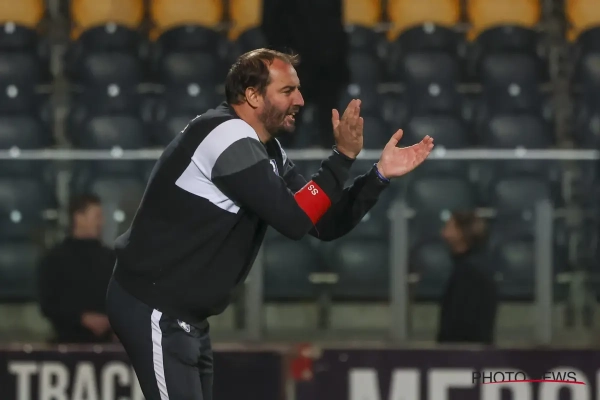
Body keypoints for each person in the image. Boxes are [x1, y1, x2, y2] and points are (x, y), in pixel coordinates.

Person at [105, 48, 434, 400]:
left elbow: (323, 223)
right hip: (154, 306)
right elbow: (293, 220)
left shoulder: (265, 147)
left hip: (184, 316)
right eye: (287, 90)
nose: (300, 100)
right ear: (252, 95)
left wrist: (378, 175)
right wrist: (341, 157)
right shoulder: (225, 135)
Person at [38, 193, 116, 343]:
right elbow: (47, 303)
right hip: (67, 345)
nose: (102, 222)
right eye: (97, 216)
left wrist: (111, 323)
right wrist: (81, 318)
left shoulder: (112, 259)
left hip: (108, 345)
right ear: (79, 217)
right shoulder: (54, 260)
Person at [437, 211, 498, 345]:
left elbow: (461, 321)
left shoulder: (470, 270)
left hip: (464, 352)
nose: (443, 234)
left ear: (462, 232)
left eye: (449, 227)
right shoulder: (468, 266)